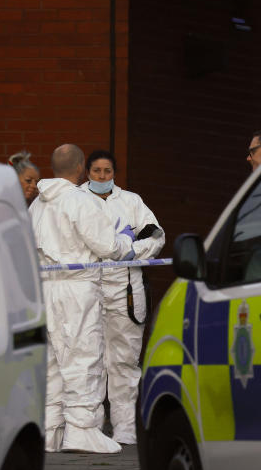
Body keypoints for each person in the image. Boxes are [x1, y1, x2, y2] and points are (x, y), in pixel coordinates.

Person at [29, 144, 136, 453]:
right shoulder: (78, 201)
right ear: (79, 169)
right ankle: (82, 429)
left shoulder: (37, 205)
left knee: (52, 362)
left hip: (44, 287)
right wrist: (125, 239)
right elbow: (108, 247)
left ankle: (51, 430)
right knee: (82, 356)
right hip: (76, 288)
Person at [80, 150, 164, 445]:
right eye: (97, 171)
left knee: (124, 361)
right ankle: (87, 429)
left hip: (125, 291)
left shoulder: (131, 202)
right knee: (87, 360)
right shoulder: (75, 200)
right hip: (86, 288)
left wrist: (131, 252)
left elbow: (156, 237)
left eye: (107, 171)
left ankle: (125, 430)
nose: (102, 177)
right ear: (86, 172)